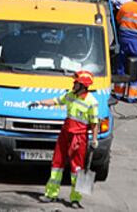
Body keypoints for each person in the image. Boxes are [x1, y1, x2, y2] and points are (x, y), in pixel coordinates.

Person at [28, 71, 99, 208]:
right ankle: (51, 194)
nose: (73, 84)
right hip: (65, 134)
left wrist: (94, 140)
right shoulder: (70, 95)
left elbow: (94, 123)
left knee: (76, 169)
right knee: (57, 164)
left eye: (76, 82)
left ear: (83, 85)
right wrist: (39, 102)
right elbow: (55, 101)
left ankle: (75, 199)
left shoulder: (91, 102)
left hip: (79, 138)